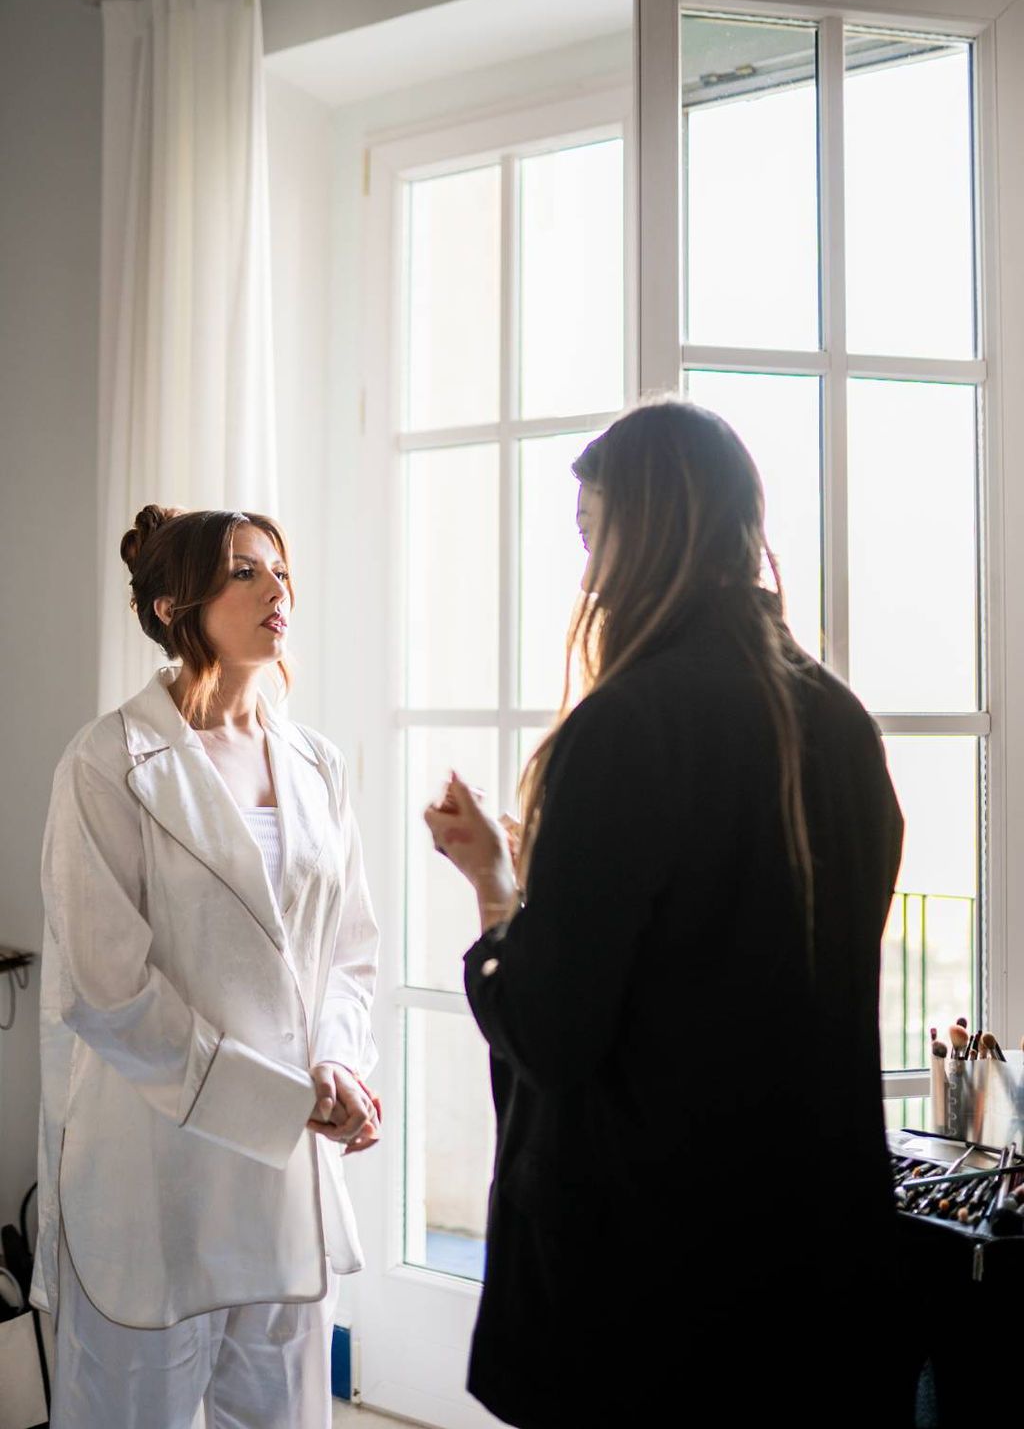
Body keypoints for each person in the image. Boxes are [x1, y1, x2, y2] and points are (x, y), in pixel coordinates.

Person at [425, 399, 905, 1427]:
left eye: (593, 533)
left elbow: (553, 1032)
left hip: (656, 1289)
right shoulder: (842, 725)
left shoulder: (628, 727)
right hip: (813, 1268)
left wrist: (498, 899)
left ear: (643, 533)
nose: (588, 573)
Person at [33, 505, 380, 1429]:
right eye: (244, 573)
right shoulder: (106, 764)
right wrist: (277, 1099)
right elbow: (109, 991)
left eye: (279, 570)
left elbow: (348, 951)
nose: (278, 591)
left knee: (279, 1414)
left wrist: (339, 1064)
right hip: (153, 1174)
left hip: (285, 1185)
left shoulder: (319, 765)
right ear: (175, 604)